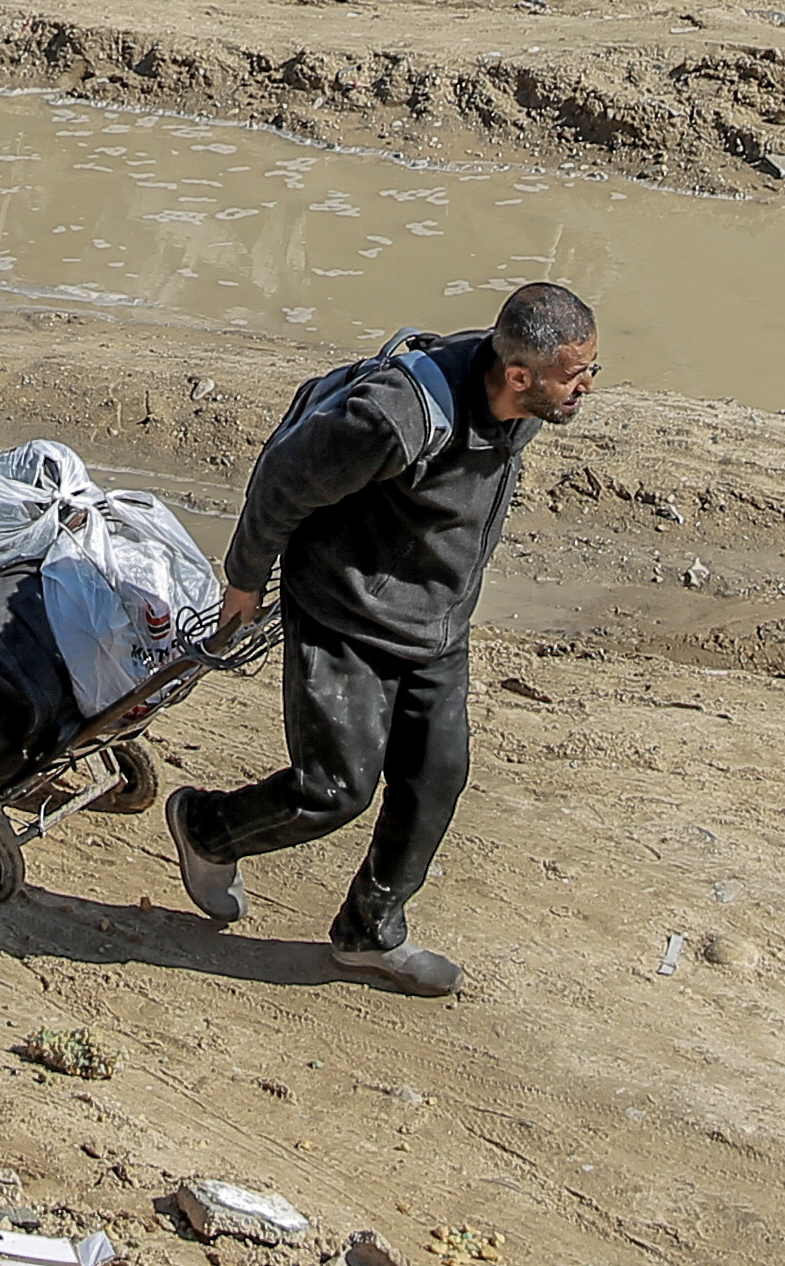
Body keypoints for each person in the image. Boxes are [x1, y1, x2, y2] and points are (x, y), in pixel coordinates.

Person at [168, 280, 603, 995]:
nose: (585, 387)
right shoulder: (398, 416)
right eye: (573, 375)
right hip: (344, 612)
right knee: (332, 790)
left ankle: (369, 930)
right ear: (518, 373)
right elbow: (284, 477)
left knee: (435, 779)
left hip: (434, 623)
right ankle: (206, 826)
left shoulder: (527, 403)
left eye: (591, 369)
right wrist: (242, 581)